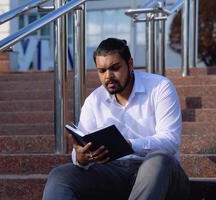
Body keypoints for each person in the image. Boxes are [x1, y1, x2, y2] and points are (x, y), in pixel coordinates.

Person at [42, 38, 190, 200]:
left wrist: (130, 145)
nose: (108, 76)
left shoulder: (160, 87)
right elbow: (81, 146)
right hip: (113, 173)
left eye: (115, 68)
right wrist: (81, 157)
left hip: (161, 174)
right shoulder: (94, 101)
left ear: (130, 64)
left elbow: (170, 141)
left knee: (158, 160)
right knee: (61, 175)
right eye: (102, 70)